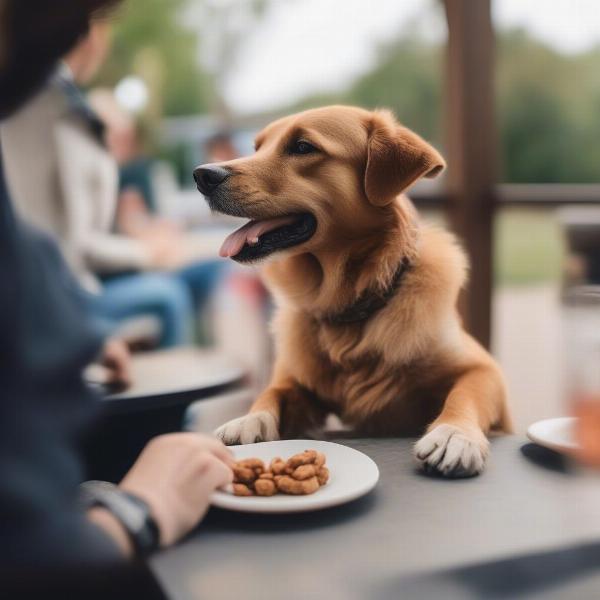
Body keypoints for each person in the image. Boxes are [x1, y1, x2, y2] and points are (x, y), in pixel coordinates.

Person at [0, 0, 233, 594]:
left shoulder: (70, 113)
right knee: (164, 297)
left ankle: (188, 409)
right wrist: (137, 511)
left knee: (205, 273)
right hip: (85, 282)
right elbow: (33, 556)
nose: (85, 30)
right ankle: (173, 423)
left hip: (82, 287)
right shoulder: (44, 107)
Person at [1, 14, 197, 348]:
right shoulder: (54, 108)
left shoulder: (58, 105)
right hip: (69, 293)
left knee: (197, 278)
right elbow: (72, 244)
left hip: (66, 285)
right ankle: (165, 398)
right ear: (90, 33)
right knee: (170, 295)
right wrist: (147, 253)